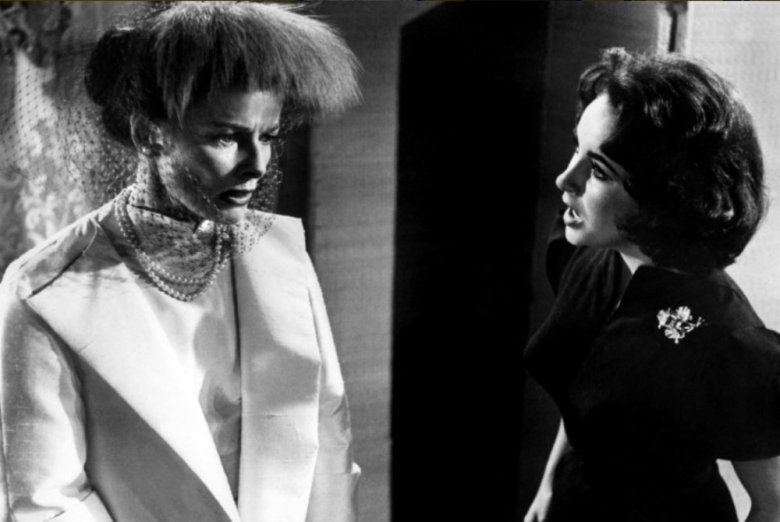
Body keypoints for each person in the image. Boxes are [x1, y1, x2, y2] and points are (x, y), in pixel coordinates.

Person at [0, 2, 360, 521]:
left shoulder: (281, 257)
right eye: (225, 136)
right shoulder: (44, 290)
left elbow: (329, 439)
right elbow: (48, 502)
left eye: (267, 136)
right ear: (149, 133)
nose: (256, 165)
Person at [523, 48, 780, 522]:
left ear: (666, 196)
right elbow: (585, 399)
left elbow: (773, 506)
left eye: (598, 171)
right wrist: (548, 487)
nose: (564, 179)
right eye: (577, 150)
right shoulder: (584, 257)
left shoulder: (732, 342)